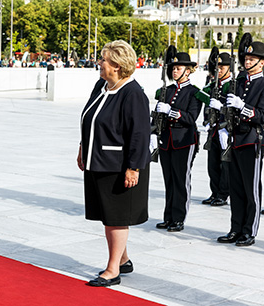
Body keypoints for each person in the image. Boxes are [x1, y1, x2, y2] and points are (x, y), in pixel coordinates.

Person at [77, 40, 150, 287]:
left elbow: (140, 133)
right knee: (108, 215)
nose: (100, 63)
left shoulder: (133, 94)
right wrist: (82, 147)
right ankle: (124, 259)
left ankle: (112, 269)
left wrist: (134, 167)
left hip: (119, 165)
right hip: (97, 160)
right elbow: (90, 118)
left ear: (118, 65)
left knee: (116, 217)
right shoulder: (102, 86)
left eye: (104, 59)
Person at [217, 37, 264, 247]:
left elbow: (261, 115)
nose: (247, 62)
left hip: (252, 141)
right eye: (246, 58)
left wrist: (242, 106)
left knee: (251, 189)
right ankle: (236, 228)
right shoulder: (240, 82)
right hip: (235, 139)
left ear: (261, 62)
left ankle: (249, 231)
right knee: (235, 188)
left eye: (252, 58)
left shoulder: (263, 84)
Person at [152, 52, 203, 232]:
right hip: (166, 140)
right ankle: (168, 217)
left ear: (188, 71)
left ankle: (179, 218)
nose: (174, 71)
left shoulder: (194, 93)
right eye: (173, 68)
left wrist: (170, 111)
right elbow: (157, 115)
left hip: (184, 140)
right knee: (169, 180)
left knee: (181, 181)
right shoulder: (168, 91)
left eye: (179, 68)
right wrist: (153, 133)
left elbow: (190, 118)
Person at [198, 52, 232, 207]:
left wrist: (222, 108)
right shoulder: (212, 86)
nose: (219, 69)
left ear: (229, 68)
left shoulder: (233, 85)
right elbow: (205, 103)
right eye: (217, 66)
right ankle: (214, 191)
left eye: (222, 66)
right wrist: (206, 121)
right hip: (214, 129)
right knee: (212, 163)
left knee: (225, 164)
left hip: (226, 130)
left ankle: (223, 194)